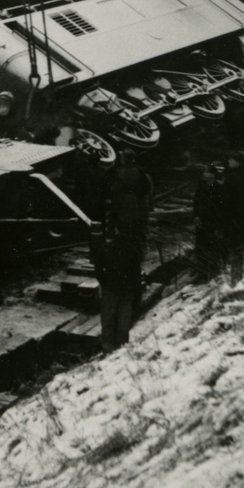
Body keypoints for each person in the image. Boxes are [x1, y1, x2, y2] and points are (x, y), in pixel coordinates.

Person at [93, 150, 152, 351]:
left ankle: (108, 346)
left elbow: (99, 267)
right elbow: (145, 190)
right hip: (134, 205)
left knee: (109, 316)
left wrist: (113, 212)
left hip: (124, 206)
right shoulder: (141, 173)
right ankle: (122, 346)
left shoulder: (120, 175)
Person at [218, 155, 244, 283]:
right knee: (243, 242)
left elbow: (225, 200)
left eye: (232, 159)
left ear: (238, 163)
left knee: (235, 244)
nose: (229, 161)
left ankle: (235, 277)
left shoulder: (230, 178)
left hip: (233, 216)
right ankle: (243, 273)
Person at [191, 162, 223, 281]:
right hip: (201, 220)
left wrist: (219, 223)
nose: (204, 174)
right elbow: (196, 202)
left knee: (213, 245)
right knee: (200, 246)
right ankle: (202, 272)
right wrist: (196, 216)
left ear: (212, 175)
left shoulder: (218, 188)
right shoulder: (201, 186)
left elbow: (221, 207)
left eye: (206, 172)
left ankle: (214, 271)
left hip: (212, 221)